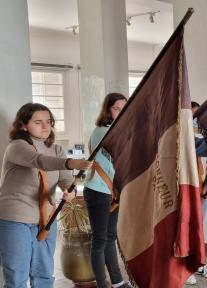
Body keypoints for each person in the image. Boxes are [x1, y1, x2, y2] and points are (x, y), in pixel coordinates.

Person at [0, 103, 93, 287]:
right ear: (23, 125)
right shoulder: (17, 146)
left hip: (46, 219)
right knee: (17, 274)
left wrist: (70, 192)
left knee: (43, 273)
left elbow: (66, 181)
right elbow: (40, 161)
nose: (45, 126)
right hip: (15, 219)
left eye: (49, 121)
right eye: (38, 122)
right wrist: (71, 162)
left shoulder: (57, 149)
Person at [84, 93, 132, 288]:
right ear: (107, 110)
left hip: (112, 191)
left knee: (110, 237)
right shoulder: (103, 131)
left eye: (124, 108)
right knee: (100, 240)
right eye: (116, 108)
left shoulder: (117, 130)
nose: (121, 112)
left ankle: (118, 282)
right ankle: (102, 285)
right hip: (98, 191)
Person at [186, 101, 207, 285]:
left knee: (198, 229)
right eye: (192, 115)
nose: (196, 118)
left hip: (203, 189)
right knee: (187, 228)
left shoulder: (205, 135)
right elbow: (200, 148)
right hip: (189, 190)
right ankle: (186, 267)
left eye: (198, 115)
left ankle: (199, 263)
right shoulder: (185, 138)